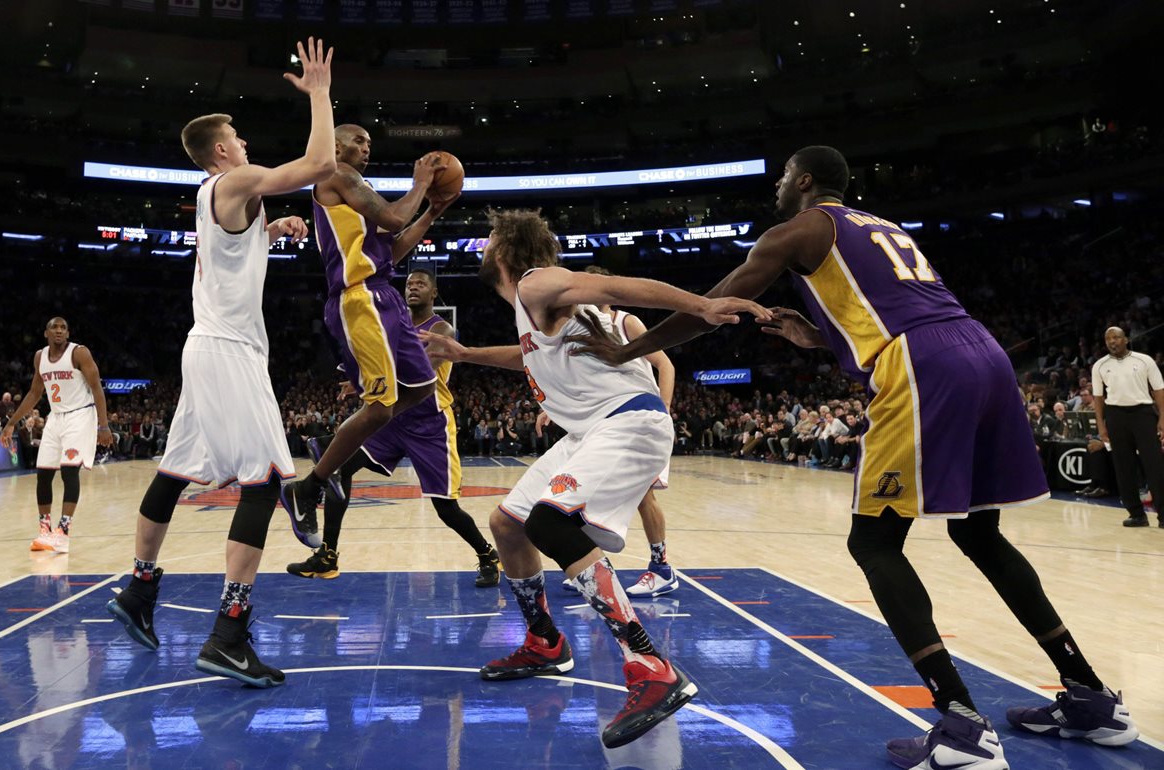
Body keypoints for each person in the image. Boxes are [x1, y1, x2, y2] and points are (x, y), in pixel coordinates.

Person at [568, 146, 1138, 768]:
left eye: (784, 177)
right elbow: (901, 305)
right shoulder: (882, 226)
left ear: (806, 182)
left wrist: (630, 352)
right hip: (982, 350)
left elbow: (717, 304)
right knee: (981, 535)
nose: (778, 187)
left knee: (873, 543)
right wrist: (817, 336)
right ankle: (1089, 696)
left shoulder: (798, 230)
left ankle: (963, 726)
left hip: (924, 363)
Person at [421, 208, 765, 748]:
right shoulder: (533, 308)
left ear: (508, 250)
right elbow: (527, 356)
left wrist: (702, 305)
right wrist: (466, 355)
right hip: (589, 431)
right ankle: (545, 642)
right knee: (507, 524)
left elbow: (617, 285)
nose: (483, 246)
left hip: (627, 420)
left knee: (552, 525)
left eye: (489, 238)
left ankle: (650, 665)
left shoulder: (537, 281)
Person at [104, 37, 337, 689]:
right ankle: (229, 634)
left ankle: (138, 590)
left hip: (204, 346)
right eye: (235, 137)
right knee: (265, 480)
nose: (242, 142)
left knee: (175, 470)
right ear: (221, 152)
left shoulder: (218, 198)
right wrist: (319, 91)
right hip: (228, 353)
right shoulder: (233, 180)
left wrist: (271, 229)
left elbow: (234, 243)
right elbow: (319, 162)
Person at [280, 124, 454, 543]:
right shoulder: (337, 175)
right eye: (359, 141)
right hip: (359, 300)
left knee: (421, 388)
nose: (367, 148)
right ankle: (308, 488)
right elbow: (395, 216)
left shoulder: (359, 188)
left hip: (382, 293)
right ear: (336, 145)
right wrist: (420, 185)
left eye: (369, 144)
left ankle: (331, 452)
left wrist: (432, 210)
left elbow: (392, 248)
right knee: (379, 407)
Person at [289, 268, 501, 587]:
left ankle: (488, 555)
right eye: (409, 283)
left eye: (421, 284)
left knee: (445, 507)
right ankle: (327, 556)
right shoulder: (396, 326)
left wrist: (370, 384)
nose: (413, 287)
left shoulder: (442, 329)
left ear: (434, 293)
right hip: (392, 418)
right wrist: (361, 381)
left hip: (429, 423)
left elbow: (420, 375)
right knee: (339, 468)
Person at [555, 265, 681, 597]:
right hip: (606, 422)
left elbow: (665, 364)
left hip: (641, 421)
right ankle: (596, 566)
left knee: (643, 496)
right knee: (589, 492)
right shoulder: (580, 329)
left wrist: (663, 408)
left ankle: (662, 568)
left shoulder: (626, 322)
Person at [0, 317, 113, 553]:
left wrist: (103, 426)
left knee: (69, 471)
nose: (59, 331)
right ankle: (45, 530)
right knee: (43, 474)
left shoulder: (79, 353)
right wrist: (11, 422)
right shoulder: (40, 357)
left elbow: (97, 389)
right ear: (46, 333)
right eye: (55, 327)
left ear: (68, 333)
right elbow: (34, 393)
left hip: (80, 416)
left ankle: (63, 532)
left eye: (63, 328)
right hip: (56, 417)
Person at [1092, 325, 1164, 527]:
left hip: (1143, 413)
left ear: (1125, 339)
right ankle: (1136, 513)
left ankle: (1163, 514)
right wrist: (1101, 425)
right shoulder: (1099, 365)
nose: (1112, 342)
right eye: (1108, 339)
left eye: (1116, 337)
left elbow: (1159, 390)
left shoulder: (1144, 360)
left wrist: (1162, 418)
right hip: (1115, 416)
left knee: (1154, 465)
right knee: (1124, 467)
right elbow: (1098, 398)